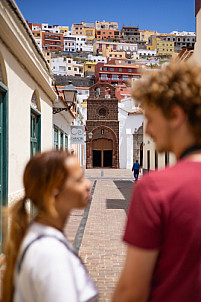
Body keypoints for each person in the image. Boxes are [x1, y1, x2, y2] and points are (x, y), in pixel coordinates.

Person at [112, 60, 201, 302]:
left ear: (175, 115)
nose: (148, 130)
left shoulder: (157, 188)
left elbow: (132, 290)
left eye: (150, 118)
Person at [2, 150, 98, 302]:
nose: (89, 184)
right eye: (79, 179)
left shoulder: (41, 237)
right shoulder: (50, 253)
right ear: (54, 190)